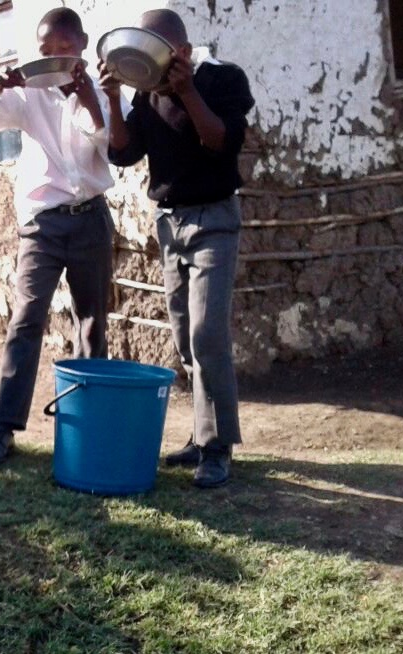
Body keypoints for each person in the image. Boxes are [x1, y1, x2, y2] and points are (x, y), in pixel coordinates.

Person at [0, 8, 121, 464]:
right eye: (45, 51)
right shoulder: (27, 94)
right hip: (42, 226)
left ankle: (90, 427)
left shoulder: (104, 90)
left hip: (90, 218)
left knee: (92, 321)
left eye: (63, 49)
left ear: (82, 44)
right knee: (26, 318)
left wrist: (87, 96)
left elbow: (108, 143)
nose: (54, 58)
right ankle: (3, 428)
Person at [101, 8, 255, 488]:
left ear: (183, 52)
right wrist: (111, 98)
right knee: (187, 337)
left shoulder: (222, 79)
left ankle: (217, 447)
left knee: (208, 333)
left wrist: (186, 90)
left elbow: (220, 142)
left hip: (214, 220)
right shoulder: (149, 97)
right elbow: (124, 153)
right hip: (169, 224)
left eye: (160, 55)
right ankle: (199, 433)